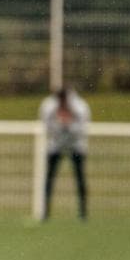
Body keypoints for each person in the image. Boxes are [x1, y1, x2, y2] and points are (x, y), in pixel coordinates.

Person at [39, 87, 90, 220]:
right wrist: (60, 125)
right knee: (49, 179)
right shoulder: (48, 106)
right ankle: (45, 213)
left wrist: (68, 125)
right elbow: (47, 126)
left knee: (80, 179)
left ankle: (83, 214)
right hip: (56, 145)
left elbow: (82, 129)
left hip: (76, 145)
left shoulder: (81, 107)